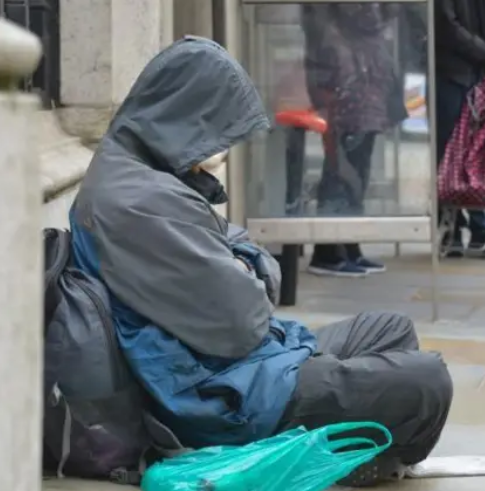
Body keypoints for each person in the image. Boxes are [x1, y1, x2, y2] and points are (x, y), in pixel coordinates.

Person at [67, 37, 452, 487]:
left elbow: (250, 260)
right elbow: (244, 322)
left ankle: (349, 446)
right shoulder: (139, 201)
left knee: (392, 329)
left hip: (240, 367)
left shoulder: (146, 175)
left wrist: (245, 266)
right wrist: (245, 269)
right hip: (219, 400)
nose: (219, 147)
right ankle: (337, 461)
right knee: (427, 382)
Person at [302, 4, 407, 277]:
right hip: (347, 93)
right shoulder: (342, 25)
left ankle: (348, 245)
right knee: (341, 173)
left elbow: (386, 12)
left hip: (363, 92)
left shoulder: (364, 30)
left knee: (357, 175)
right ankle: (328, 251)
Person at [435, 0, 485, 255]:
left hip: (480, 75)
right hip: (453, 74)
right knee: (449, 153)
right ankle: (452, 226)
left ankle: (480, 226)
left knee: (480, 154)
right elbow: (447, 26)